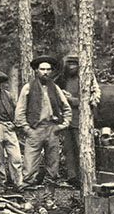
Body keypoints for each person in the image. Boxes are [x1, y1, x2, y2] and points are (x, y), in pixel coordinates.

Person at [15, 55, 72, 187]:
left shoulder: (55, 88)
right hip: (35, 130)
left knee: (53, 168)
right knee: (29, 167)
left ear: (51, 71)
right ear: (36, 70)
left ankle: (49, 201)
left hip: (52, 129)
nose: (45, 72)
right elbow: (20, 111)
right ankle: (29, 201)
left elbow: (66, 108)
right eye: (42, 69)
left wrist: (63, 125)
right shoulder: (28, 88)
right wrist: (27, 129)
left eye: (48, 69)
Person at [56, 54, 101, 187]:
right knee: (68, 148)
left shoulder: (86, 79)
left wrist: (72, 100)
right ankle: (72, 176)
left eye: (75, 64)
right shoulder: (63, 79)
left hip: (81, 119)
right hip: (66, 119)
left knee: (81, 147)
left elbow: (91, 101)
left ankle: (85, 176)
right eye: (69, 64)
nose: (71, 67)